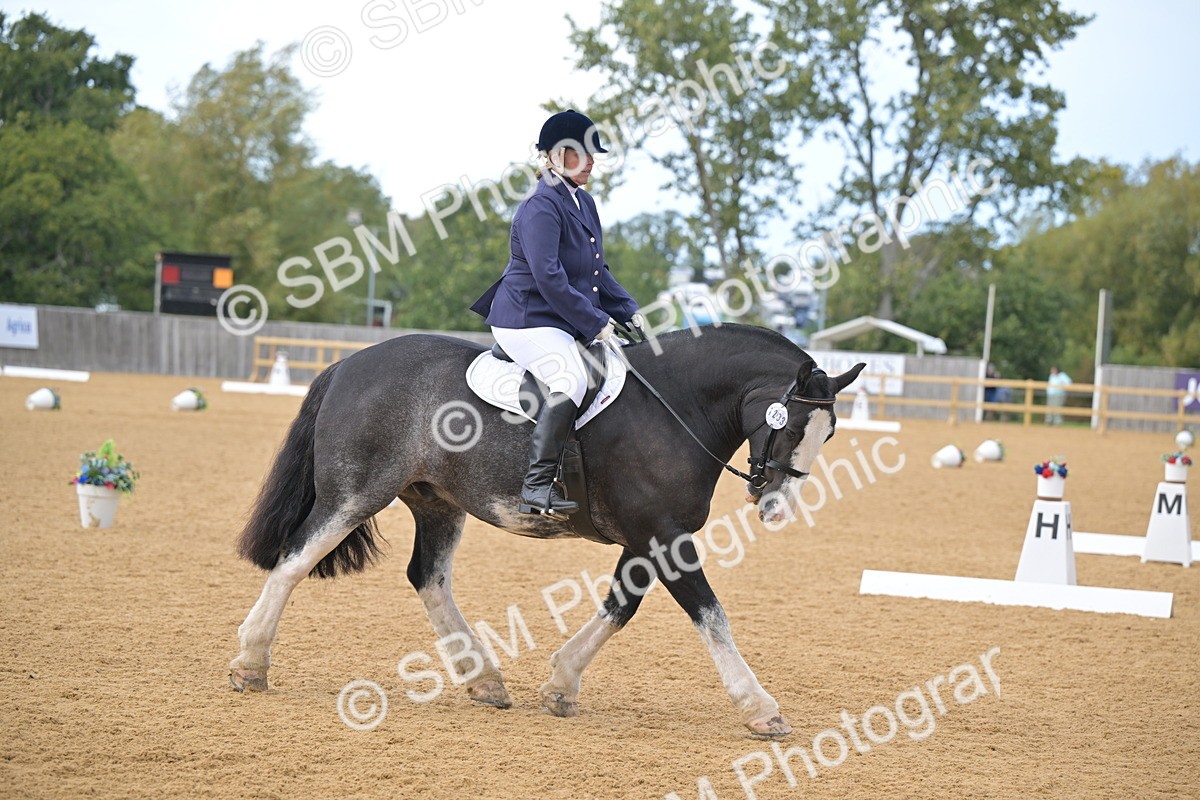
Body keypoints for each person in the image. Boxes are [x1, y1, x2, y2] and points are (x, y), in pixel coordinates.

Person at [470, 110, 640, 518]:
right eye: (584, 154)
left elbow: (598, 271)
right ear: (557, 156)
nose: (593, 162)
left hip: (560, 318)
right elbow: (550, 277)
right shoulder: (540, 206)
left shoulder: (584, 202)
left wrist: (629, 313)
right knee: (572, 376)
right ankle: (536, 485)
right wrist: (596, 322)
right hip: (526, 319)